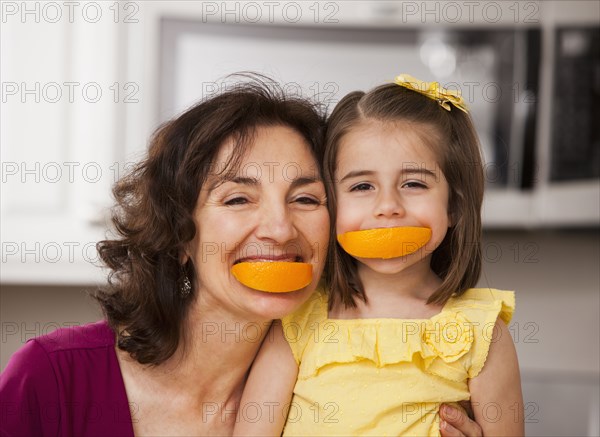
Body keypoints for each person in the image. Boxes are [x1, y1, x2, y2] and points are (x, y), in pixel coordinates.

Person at [1, 76, 483, 437]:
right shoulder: (51, 379)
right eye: (237, 199)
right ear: (180, 232)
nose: (278, 229)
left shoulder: (358, 395)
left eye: (307, 199)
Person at [234, 75, 523, 436]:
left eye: (413, 184)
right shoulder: (298, 321)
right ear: (332, 206)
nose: (387, 207)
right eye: (362, 186)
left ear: (455, 207)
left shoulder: (482, 332)